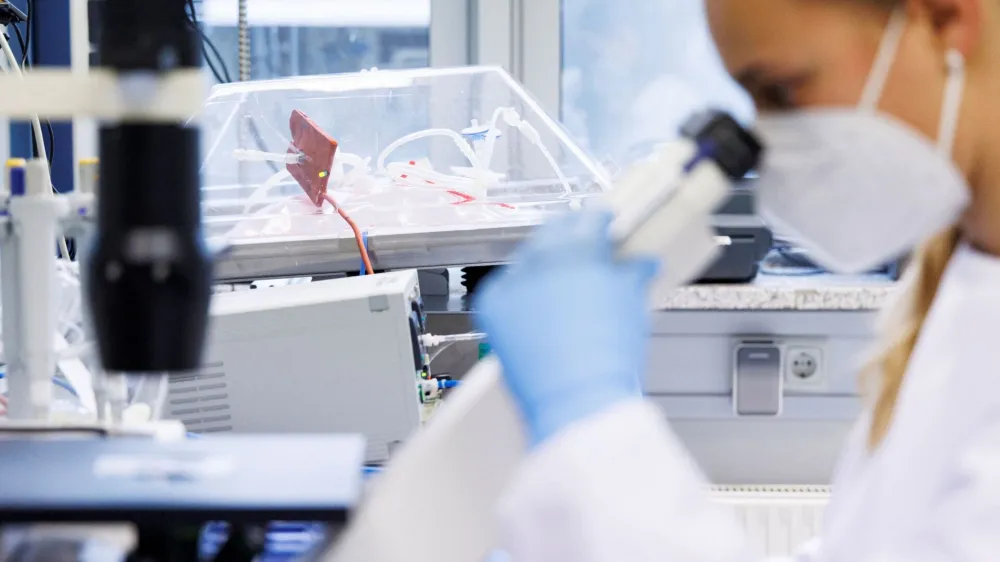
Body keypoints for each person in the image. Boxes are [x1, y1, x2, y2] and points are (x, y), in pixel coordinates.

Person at [474, 0, 1000, 560]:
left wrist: (589, 429)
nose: (769, 143)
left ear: (946, 19)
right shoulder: (963, 275)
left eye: (783, 89)